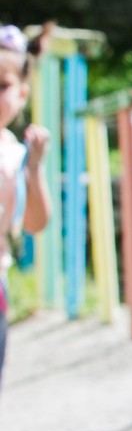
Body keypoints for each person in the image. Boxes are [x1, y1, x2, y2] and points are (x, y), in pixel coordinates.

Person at [0, 27, 51, 392]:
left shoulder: (16, 155)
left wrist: (34, 169)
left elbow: (35, 223)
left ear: (22, 93)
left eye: (1, 86)